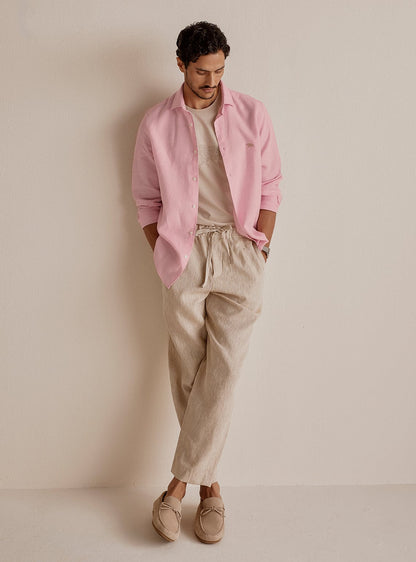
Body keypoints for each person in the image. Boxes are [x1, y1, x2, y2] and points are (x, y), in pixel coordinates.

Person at [131, 21, 283, 543]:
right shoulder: (155, 124)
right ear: (181, 65)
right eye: (201, 71)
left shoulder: (253, 114)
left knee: (224, 369)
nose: (212, 81)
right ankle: (210, 488)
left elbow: (271, 184)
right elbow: (146, 200)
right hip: (185, 251)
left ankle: (176, 488)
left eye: (219, 70)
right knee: (188, 372)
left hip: (240, 252)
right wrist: (166, 252)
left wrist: (261, 245)